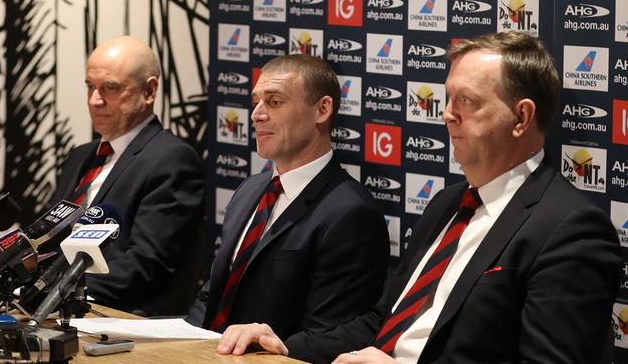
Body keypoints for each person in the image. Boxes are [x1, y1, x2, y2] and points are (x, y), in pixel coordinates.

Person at [212, 32, 622, 363]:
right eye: (447, 98)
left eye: (467, 101)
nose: (446, 113)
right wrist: (284, 346)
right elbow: (381, 320)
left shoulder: (569, 227)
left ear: (522, 118)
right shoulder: (447, 203)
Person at [185, 54, 390, 348]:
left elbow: (329, 334)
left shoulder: (351, 212)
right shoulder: (250, 190)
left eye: (274, 102)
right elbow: (212, 295)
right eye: (255, 101)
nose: (256, 114)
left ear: (322, 109)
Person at [46, 36, 204, 316]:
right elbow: (50, 238)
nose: (95, 101)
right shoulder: (80, 156)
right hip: (61, 312)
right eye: (90, 87)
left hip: (126, 322)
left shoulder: (171, 159)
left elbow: (145, 265)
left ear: (149, 91)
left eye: (110, 88)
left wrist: (54, 289)